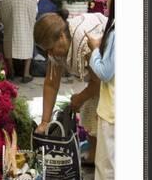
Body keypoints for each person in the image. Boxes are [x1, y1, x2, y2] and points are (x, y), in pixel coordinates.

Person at [33, 10, 108, 163]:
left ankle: (103, 164)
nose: (50, 53)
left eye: (50, 48)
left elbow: (100, 82)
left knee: (98, 112)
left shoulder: (84, 43)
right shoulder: (55, 48)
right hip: (100, 77)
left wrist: (80, 98)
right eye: (45, 50)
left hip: (114, 71)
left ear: (61, 36)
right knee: (90, 109)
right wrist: (45, 122)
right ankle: (95, 159)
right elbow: (51, 84)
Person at [77, 0, 115, 180]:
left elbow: (104, 72)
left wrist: (93, 50)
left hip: (113, 108)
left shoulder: (118, 31)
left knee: (107, 166)